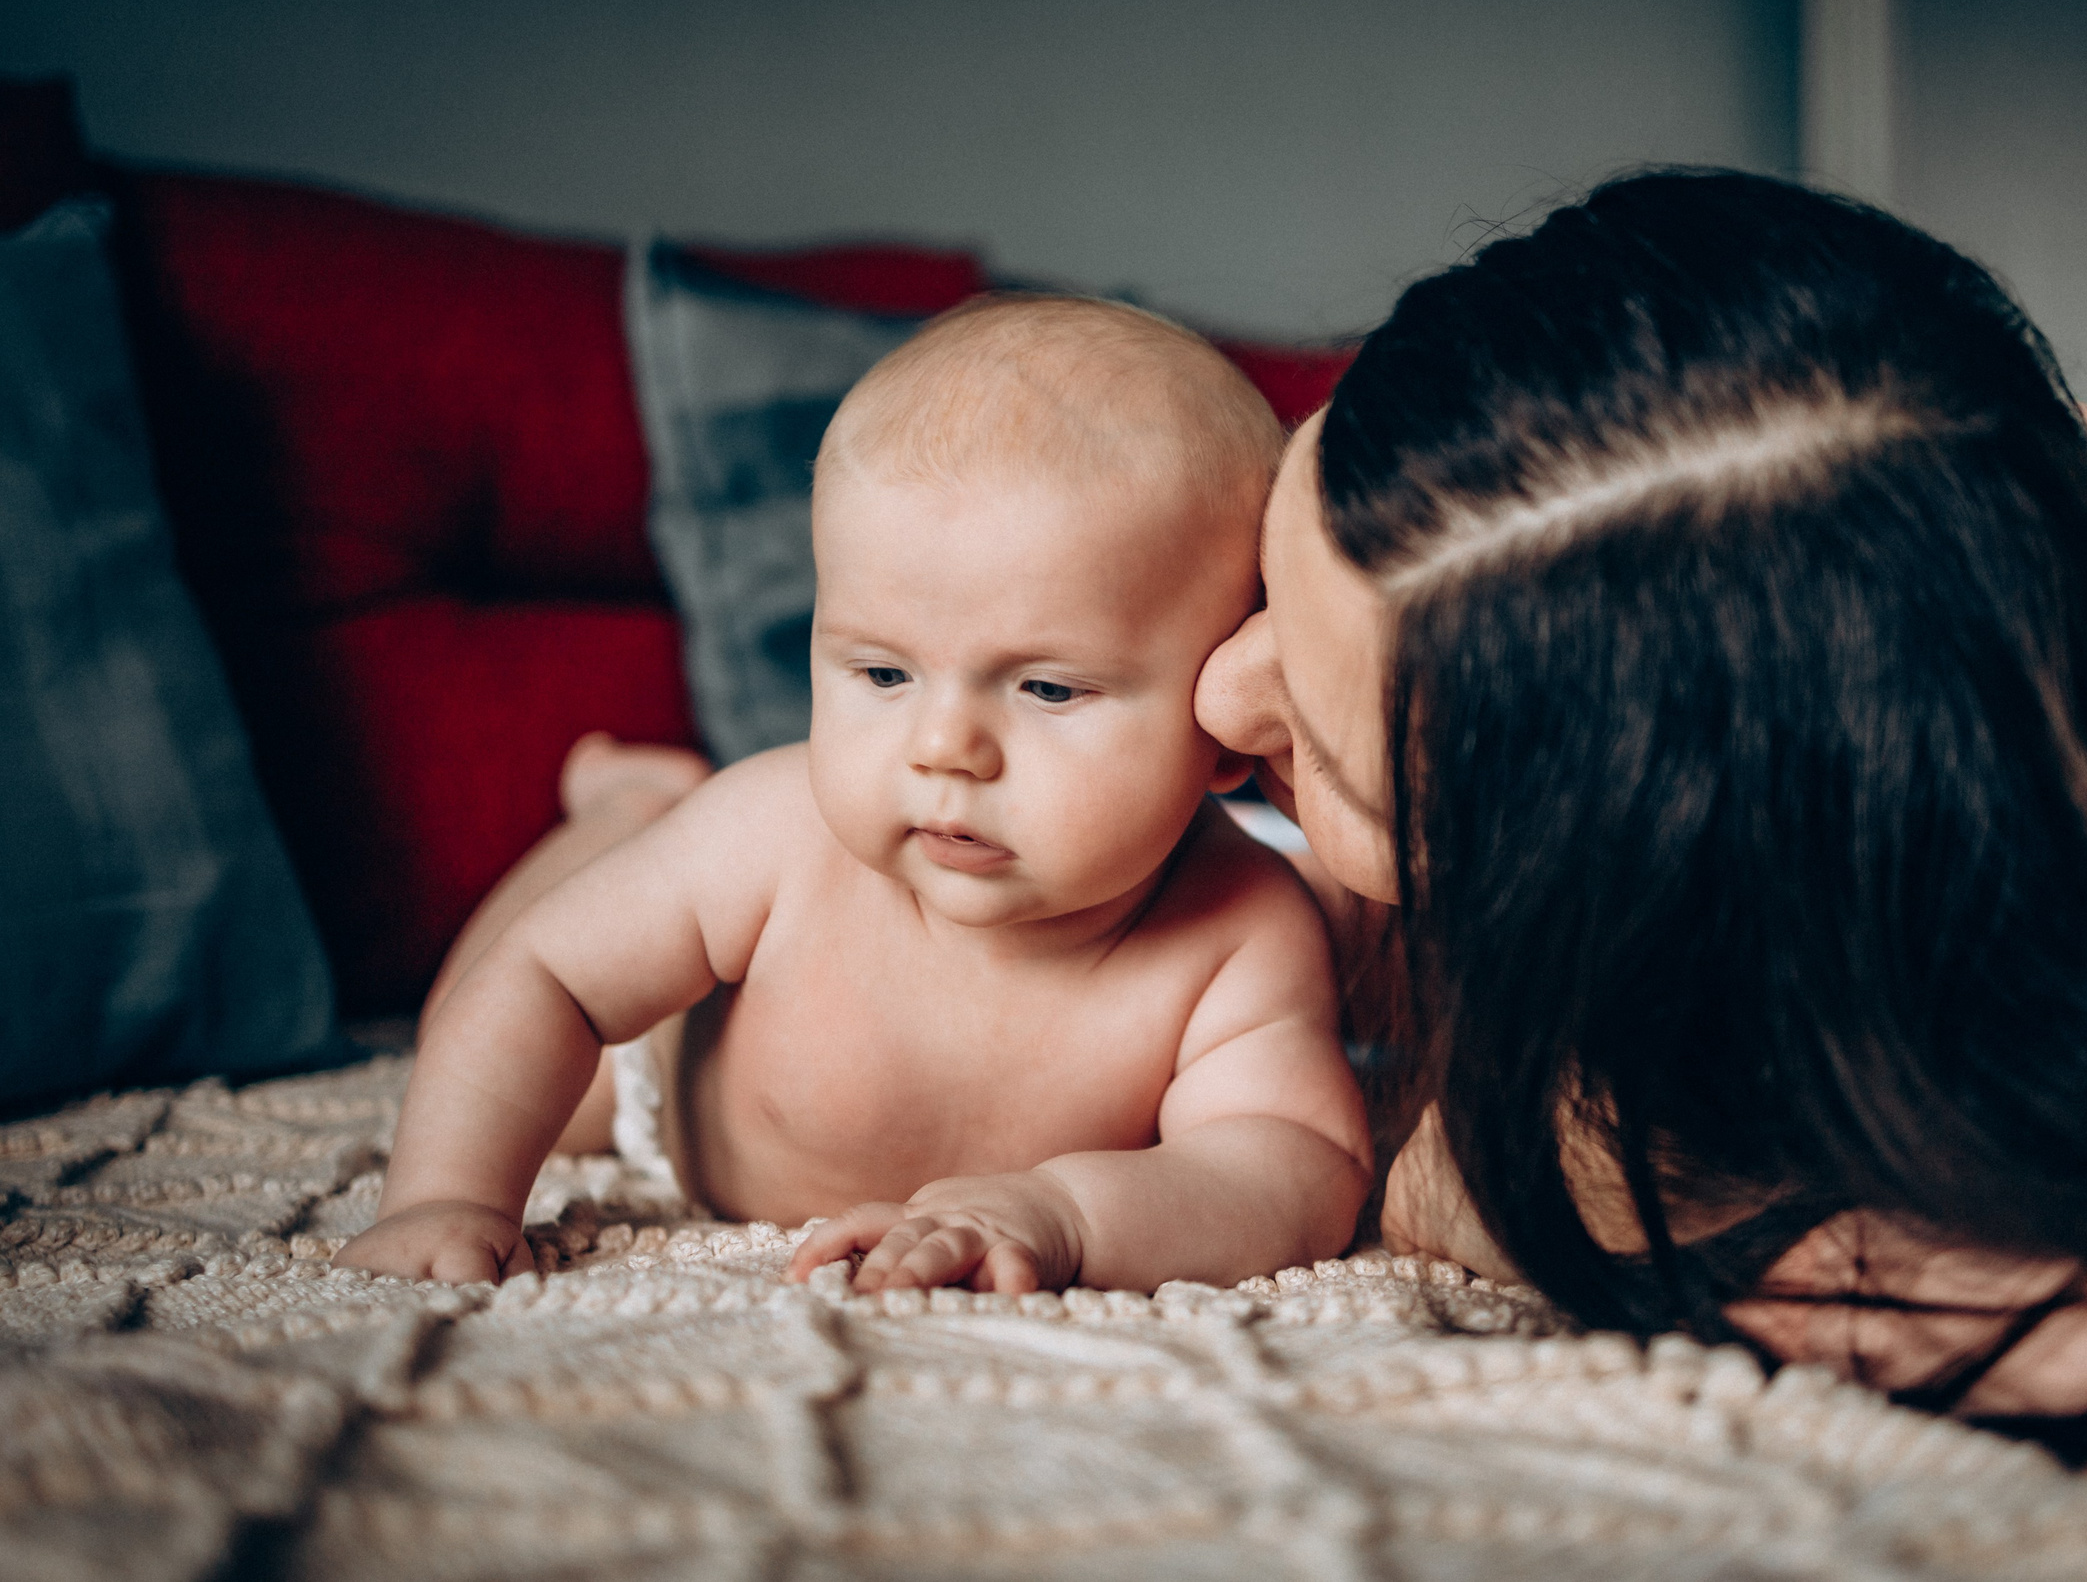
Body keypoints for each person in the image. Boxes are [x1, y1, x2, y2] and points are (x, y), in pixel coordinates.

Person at [1189, 170, 2087, 1518]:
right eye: (1264, 575)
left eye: (1326, 757)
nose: (1212, 697)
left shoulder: (1688, 1144)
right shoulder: (1872, 443)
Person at [334, 295, 1370, 1295]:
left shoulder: (1241, 928)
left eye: (1048, 688)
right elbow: (546, 976)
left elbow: (1292, 1164)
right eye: (883, 672)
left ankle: (652, 803)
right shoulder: (770, 834)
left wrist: (1062, 1212)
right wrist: (444, 1196)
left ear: (1227, 725)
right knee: (501, 1050)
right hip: (661, 1067)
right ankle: (627, 810)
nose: (943, 748)